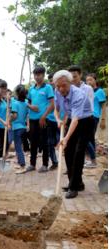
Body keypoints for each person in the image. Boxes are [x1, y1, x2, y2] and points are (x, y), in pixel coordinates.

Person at [54, 70, 94, 199]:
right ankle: (76, 182)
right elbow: (57, 109)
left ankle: (74, 187)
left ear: (70, 83)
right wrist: (58, 119)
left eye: (63, 85)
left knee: (78, 153)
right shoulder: (57, 91)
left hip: (85, 122)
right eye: (58, 86)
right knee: (69, 152)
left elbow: (76, 119)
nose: (61, 88)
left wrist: (65, 138)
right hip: (72, 120)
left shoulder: (79, 94)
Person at [25, 66, 54, 173]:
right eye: (35, 75)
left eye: (39, 74)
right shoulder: (31, 89)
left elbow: (52, 104)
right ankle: (32, 164)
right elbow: (28, 103)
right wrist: (30, 109)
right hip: (32, 120)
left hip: (43, 120)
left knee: (44, 142)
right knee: (33, 142)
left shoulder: (48, 88)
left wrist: (44, 116)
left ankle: (45, 165)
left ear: (43, 75)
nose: (37, 77)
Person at [85, 73, 106, 168]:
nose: (89, 82)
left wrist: (103, 119)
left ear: (95, 80)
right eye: (87, 80)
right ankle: (91, 159)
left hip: (94, 116)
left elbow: (104, 106)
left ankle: (92, 160)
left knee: (87, 138)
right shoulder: (87, 91)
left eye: (91, 80)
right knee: (90, 138)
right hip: (86, 116)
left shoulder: (100, 91)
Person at [11, 85, 29, 174]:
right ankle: (20, 162)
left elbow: (14, 116)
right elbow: (27, 115)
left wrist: (8, 120)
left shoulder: (15, 103)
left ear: (17, 93)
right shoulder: (26, 103)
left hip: (16, 128)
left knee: (18, 147)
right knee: (20, 146)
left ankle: (22, 165)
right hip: (23, 127)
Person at [46, 73, 59, 170]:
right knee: (50, 143)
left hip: (61, 121)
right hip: (50, 120)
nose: (52, 83)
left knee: (61, 142)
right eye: (50, 81)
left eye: (53, 81)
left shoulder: (62, 90)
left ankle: (69, 165)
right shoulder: (48, 91)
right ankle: (54, 162)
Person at [0, 79, 10, 160]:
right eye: (1, 87)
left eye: (5, 88)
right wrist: (3, 121)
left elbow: (7, 112)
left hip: (3, 126)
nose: (4, 90)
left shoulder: (3, 100)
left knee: (5, 145)